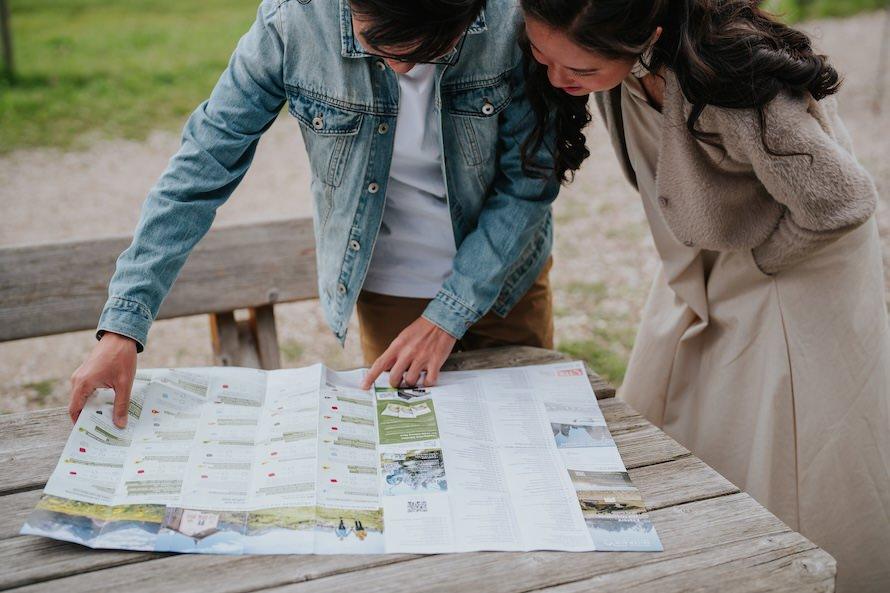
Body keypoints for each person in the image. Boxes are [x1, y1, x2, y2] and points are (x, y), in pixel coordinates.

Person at [518, 1, 889, 591]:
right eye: (542, 55)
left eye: (579, 72)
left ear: (646, 35)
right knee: (680, 400)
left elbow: (841, 202)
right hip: (720, 251)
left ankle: (788, 571)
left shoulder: (735, 83)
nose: (557, 78)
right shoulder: (623, 63)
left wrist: (761, 263)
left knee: (784, 441)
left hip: (798, 253)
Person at [68, 0, 560, 427]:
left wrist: (449, 317)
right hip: (390, 288)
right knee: (417, 461)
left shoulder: (510, 19)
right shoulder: (293, 23)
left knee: (525, 441)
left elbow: (530, 181)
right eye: (377, 46)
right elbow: (202, 167)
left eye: (421, 51)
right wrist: (123, 326)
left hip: (505, 280)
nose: (399, 70)